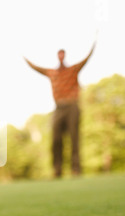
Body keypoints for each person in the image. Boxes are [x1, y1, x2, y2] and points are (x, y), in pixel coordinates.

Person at [24, 43, 95, 178]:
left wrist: (94, 44)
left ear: (65, 56)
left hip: (72, 105)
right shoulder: (52, 72)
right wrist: (23, 57)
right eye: (59, 55)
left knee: (74, 138)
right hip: (58, 107)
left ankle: (76, 169)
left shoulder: (73, 69)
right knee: (56, 139)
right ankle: (57, 170)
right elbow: (36, 68)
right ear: (57, 57)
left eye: (63, 54)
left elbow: (86, 58)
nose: (61, 56)